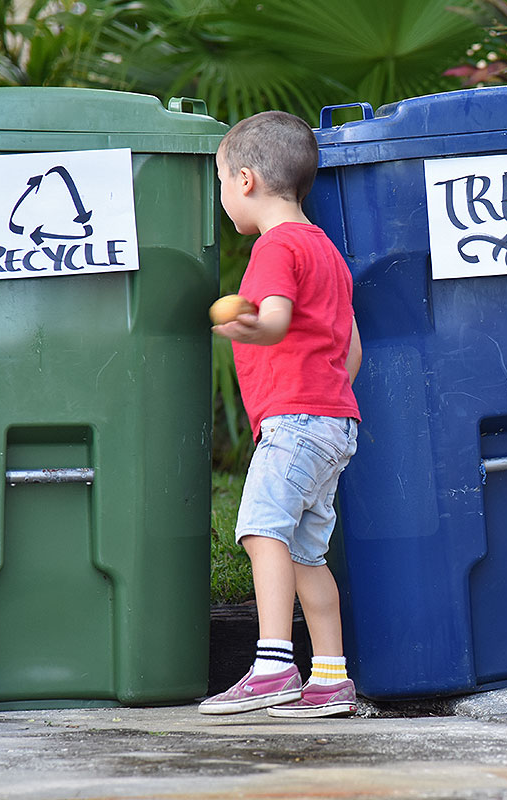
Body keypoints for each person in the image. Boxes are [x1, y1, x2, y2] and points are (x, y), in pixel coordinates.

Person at [199, 110, 363, 717]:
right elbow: (351, 349)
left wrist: (238, 323)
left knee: (261, 528)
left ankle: (272, 664)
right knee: (305, 555)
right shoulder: (327, 251)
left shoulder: (275, 247)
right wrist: (325, 396)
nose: (223, 199)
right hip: (333, 421)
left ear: (245, 181)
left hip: (295, 422)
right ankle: (330, 677)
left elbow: (272, 321)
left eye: (220, 184)